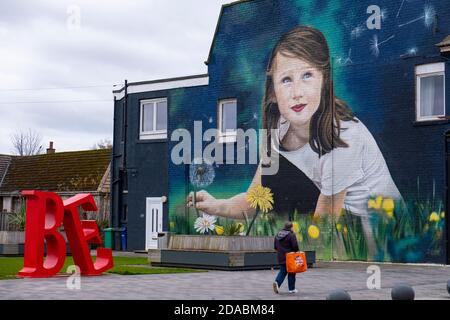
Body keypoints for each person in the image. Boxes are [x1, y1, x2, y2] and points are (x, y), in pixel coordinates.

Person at [187, 25, 403, 255]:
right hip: (350, 240)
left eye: (307, 75)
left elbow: (324, 222)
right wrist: (216, 204)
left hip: (388, 239)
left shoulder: (344, 137)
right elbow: (254, 201)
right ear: (272, 92)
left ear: (324, 81)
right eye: (287, 80)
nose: (297, 92)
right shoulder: (278, 130)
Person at [273, 221, 299, 294]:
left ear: (284, 226)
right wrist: (296, 252)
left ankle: (277, 282)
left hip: (281, 256)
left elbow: (275, 247)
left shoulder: (278, 234)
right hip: (290, 257)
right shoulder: (291, 235)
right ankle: (292, 289)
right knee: (292, 272)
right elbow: (295, 246)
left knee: (282, 271)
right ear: (291, 227)